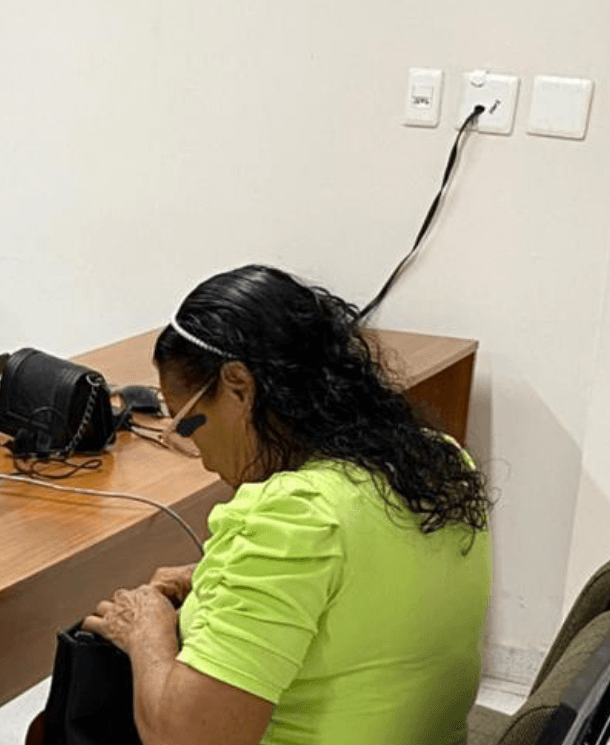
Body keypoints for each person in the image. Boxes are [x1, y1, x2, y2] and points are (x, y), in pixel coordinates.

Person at [51, 265, 493, 744]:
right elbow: (368, 582)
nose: (201, 457)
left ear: (239, 386)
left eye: (189, 424)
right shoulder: (439, 460)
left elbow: (190, 739)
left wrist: (146, 631)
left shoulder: (292, 515)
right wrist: (216, 578)